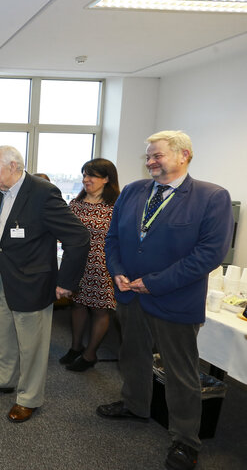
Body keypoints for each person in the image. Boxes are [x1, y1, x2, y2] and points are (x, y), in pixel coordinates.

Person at [97, 131, 233, 470]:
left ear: (184, 154)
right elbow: (113, 239)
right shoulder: (132, 191)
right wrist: (116, 272)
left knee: (180, 372)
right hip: (129, 294)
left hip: (175, 299)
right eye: (148, 156)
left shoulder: (211, 197)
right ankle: (135, 405)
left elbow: (209, 255)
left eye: (157, 155)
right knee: (132, 355)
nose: (150, 161)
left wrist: (153, 283)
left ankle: (186, 440)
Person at [0, 145, 89, 423]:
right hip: (5, 279)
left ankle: (29, 398)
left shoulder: (43, 193)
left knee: (32, 346)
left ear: (14, 166)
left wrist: (66, 282)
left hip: (33, 283)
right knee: (3, 336)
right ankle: (2, 379)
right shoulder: (1, 193)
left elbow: (79, 238)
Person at [60, 158, 120, 372]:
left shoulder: (116, 206)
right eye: (84, 175)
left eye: (92, 175)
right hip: (77, 263)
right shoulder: (75, 204)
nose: (86, 179)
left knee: (99, 309)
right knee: (77, 304)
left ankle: (90, 354)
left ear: (106, 179)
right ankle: (76, 347)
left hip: (103, 266)